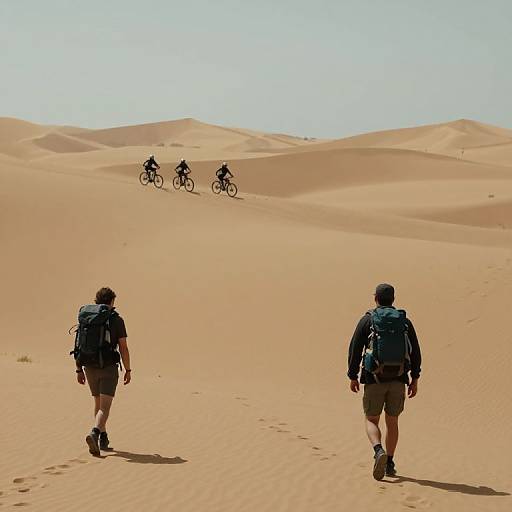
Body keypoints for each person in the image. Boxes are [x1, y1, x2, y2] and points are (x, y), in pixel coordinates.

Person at [347, 284, 421, 480]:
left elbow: (354, 349)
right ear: (393, 299)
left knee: (371, 419)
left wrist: (352, 375)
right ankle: (389, 462)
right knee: (393, 421)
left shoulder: (368, 320)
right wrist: (415, 378)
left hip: (374, 379)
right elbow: (415, 352)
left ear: (376, 299)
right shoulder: (404, 322)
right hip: (398, 379)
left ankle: (378, 450)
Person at [75, 287, 132, 456]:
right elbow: (123, 347)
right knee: (104, 408)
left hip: (89, 366)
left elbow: (78, 344)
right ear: (111, 301)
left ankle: (103, 437)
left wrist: (79, 369)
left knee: (97, 404)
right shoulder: (116, 320)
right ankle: (95, 432)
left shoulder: (86, 318)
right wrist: (128, 369)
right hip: (107, 367)